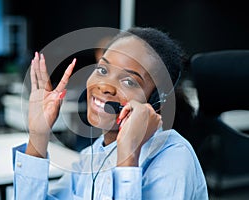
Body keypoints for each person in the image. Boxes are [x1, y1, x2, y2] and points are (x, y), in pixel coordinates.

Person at [13, 27, 208, 199]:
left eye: (129, 82)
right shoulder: (92, 155)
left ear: (155, 100)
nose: (105, 86)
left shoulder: (174, 160)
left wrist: (128, 158)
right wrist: (38, 136)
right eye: (103, 70)